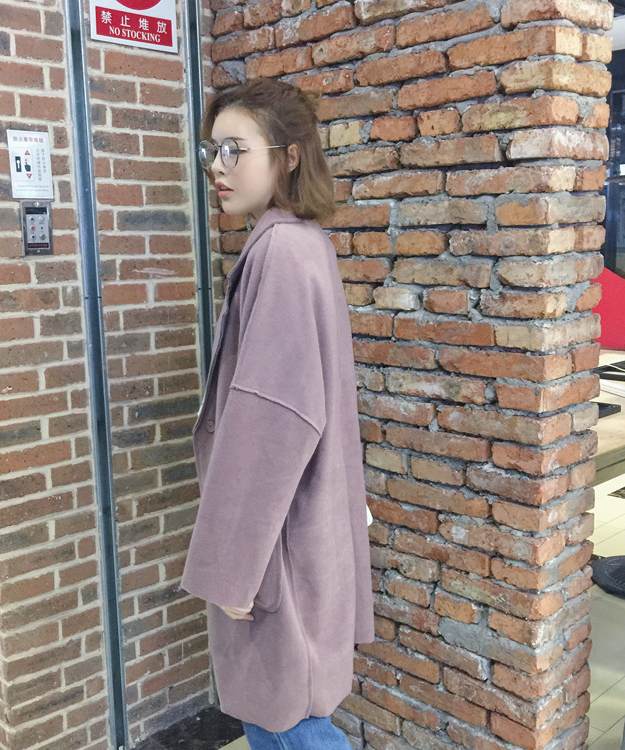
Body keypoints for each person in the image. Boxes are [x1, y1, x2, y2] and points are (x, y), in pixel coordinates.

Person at [180, 78, 375, 749]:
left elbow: (273, 421)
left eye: (235, 149)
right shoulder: (301, 242)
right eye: (212, 151)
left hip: (278, 542)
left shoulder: (282, 252)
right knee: (291, 713)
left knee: (287, 719)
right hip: (294, 529)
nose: (218, 167)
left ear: (288, 155)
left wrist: (234, 567)